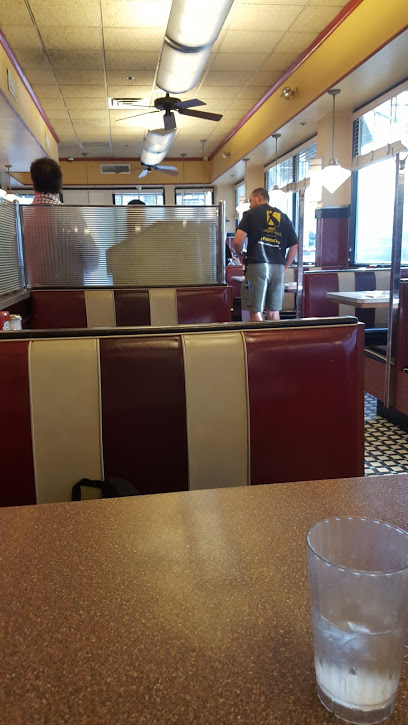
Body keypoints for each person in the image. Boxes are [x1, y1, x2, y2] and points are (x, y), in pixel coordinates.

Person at [24, 157, 99, 286]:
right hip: (69, 293)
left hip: (31, 295)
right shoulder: (71, 214)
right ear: (60, 184)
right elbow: (93, 260)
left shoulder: (21, 217)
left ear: (33, 183)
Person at [233, 187, 298, 321]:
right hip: (278, 268)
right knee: (273, 311)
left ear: (258, 197)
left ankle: (258, 335)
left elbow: (238, 241)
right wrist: (285, 266)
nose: (250, 205)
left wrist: (240, 253)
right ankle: (274, 335)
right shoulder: (284, 217)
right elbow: (294, 246)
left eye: (251, 200)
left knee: (256, 310)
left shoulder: (251, 214)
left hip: (258, 266)